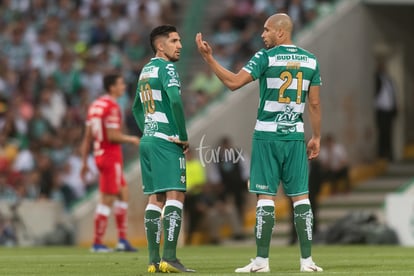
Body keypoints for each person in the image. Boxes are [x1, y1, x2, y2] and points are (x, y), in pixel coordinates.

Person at [196, 13, 323, 272]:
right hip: (295, 135)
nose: (262, 35)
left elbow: (233, 83)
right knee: (301, 199)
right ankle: (307, 262)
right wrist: (317, 137)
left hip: (267, 135)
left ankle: (262, 261)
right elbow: (315, 103)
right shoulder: (310, 60)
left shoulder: (265, 58)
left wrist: (209, 58)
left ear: (280, 32)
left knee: (265, 198)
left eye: (266, 30)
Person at [132, 25, 195, 273]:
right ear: (161, 46)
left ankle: (153, 261)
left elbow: (136, 108)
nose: (179, 45)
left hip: (148, 139)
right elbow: (176, 100)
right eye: (174, 41)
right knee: (175, 195)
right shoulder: (167, 68)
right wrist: (182, 135)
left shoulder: (145, 70)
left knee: (155, 198)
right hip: (166, 140)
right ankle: (170, 257)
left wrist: (148, 129)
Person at [80, 74, 140, 253]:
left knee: (123, 193)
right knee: (107, 198)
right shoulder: (112, 106)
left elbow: (87, 137)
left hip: (100, 155)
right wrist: (132, 139)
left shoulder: (96, 106)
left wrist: (84, 162)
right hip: (110, 156)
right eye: (121, 83)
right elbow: (112, 136)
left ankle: (122, 240)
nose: (123, 87)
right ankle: (97, 243)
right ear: (112, 87)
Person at [374, 57, 397, 161]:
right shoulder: (376, 78)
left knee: (389, 133)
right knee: (382, 133)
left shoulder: (389, 80)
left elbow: (392, 95)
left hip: (389, 110)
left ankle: (389, 154)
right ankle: (382, 154)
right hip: (381, 109)